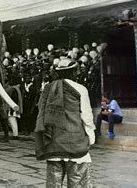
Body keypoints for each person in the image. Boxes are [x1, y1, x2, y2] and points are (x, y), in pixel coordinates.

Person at [35, 59, 95, 188]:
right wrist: (91, 136)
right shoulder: (81, 89)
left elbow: (41, 111)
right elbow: (87, 116)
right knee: (78, 181)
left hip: (53, 144)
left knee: (53, 183)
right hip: (75, 141)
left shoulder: (48, 88)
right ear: (73, 72)